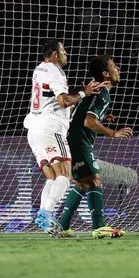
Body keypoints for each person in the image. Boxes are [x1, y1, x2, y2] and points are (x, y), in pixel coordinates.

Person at [24, 39, 101, 235]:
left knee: (51, 177)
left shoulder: (39, 69)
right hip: (51, 128)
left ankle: (46, 221)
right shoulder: (55, 72)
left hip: (34, 129)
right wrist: (84, 93)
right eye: (64, 51)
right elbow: (64, 101)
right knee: (65, 177)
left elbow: (54, 99)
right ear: (55, 55)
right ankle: (45, 213)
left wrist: (79, 93)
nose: (67, 54)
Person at [57, 54, 132, 239]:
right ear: (106, 73)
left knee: (83, 182)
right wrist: (113, 133)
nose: (118, 69)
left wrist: (103, 117)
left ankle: (62, 225)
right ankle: (99, 226)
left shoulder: (96, 90)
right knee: (95, 180)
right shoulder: (103, 93)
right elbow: (89, 121)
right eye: (114, 66)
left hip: (72, 138)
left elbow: (84, 112)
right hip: (79, 140)